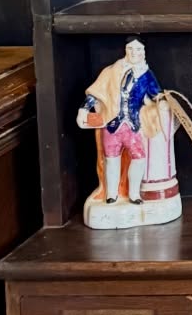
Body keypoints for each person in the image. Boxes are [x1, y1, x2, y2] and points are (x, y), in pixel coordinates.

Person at [76, 37, 181, 225]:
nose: (135, 53)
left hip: (132, 125)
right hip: (112, 124)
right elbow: (96, 93)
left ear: (144, 53)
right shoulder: (111, 72)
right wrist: (84, 109)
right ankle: (112, 194)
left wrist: (163, 103)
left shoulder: (146, 74)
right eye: (131, 49)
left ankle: (133, 193)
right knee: (111, 158)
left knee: (139, 157)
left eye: (138, 50)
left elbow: (156, 94)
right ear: (126, 50)